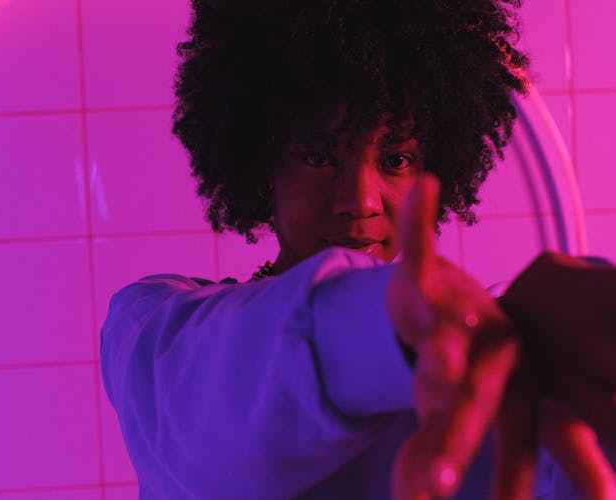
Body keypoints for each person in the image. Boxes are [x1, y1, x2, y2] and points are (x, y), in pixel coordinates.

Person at [100, 0, 616, 498]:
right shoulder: (153, 333)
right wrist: (395, 332)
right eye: (320, 157)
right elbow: (222, 395)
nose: (362, 201)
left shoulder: (492, 347)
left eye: (395, 159)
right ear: (262, 166)